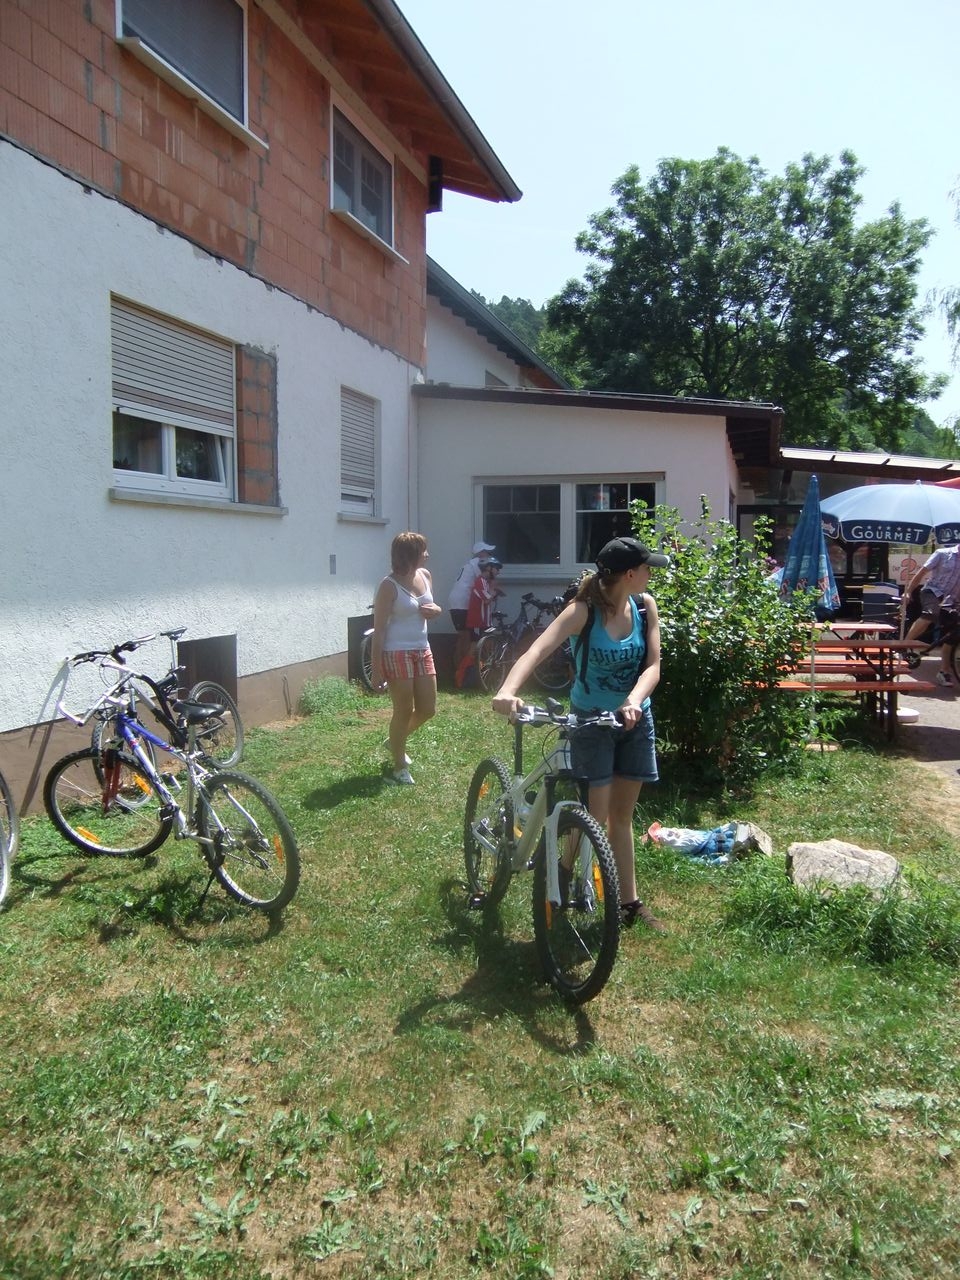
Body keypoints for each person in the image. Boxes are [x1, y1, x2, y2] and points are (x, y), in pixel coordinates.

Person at [492, 535, 671, 930]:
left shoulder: (645, 606)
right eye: (646, 568)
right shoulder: (582, 612)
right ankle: (563, 868)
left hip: (635, 721)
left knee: (621, 817)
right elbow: (537, 650)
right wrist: (508, 690)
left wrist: (633, 700)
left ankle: (629, 903)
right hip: (590, 721)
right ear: (629, 574)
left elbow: (653, 666)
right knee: (595, 814)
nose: (650, 574)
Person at [371, 531, 443, 784]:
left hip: (422, 649)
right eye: (423, 551)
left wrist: (437, 610)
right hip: (396, 652)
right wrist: (376, 670)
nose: (427, 555)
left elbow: (431, 607)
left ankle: (395, 740)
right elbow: (379, 630)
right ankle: (399, 767)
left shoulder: (425, 575)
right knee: (403, 710)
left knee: (428, 709)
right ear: (410, 555)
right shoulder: (388, 586)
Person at [901, 545, 960, 687]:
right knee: (930, 614)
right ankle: (903, 646)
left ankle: (944, 671)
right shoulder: (943, 553)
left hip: (951, 600)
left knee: (952, 635)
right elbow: (922, 572)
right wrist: (908, 592)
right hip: (932, 592)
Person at [449, 541, 496, 671]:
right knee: (465, 638)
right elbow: (486, 580)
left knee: (463, 637)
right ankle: (462, 670)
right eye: (488, 553)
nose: (490, 555)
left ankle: (460, 670)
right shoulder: (477, 563)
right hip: (462, 603)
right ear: (481, 553)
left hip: (456, 602)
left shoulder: (468, 564)